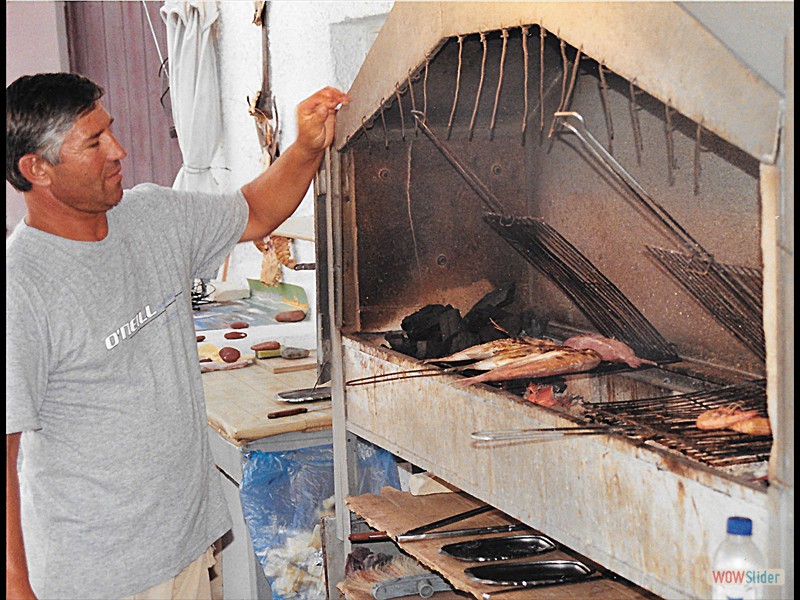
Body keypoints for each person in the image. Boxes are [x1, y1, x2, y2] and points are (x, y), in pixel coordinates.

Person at [6, 72, 349, 600]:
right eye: (94, 142)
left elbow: (255, 210)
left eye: (110, 130)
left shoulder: (151, 216)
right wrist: (15, 585)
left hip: (185, 547)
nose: (118, 150)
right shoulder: (21, 286)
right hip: (94, 576)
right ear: (38, 169)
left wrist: (304, 148)